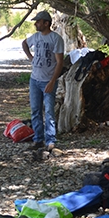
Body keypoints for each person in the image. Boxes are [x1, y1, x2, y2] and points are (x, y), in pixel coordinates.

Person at [21, 10, 65, 153]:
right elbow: (24, 43)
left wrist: (52, 81)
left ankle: (50, 140)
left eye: (38, 21)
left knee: (49, 111)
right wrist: (30, 58)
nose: (36, 24)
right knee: (35, 110)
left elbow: (59, 62)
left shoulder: (55, 39)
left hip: (48, 80)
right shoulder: (36, 37)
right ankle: (38, 139)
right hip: (35, 79)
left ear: (46, 23)